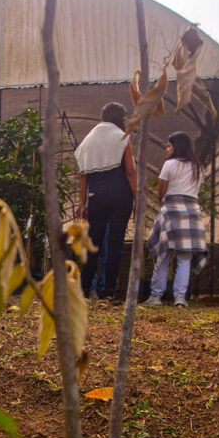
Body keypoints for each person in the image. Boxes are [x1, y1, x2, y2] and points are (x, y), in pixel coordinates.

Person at [75, 103, 137, 300]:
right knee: (115, 244)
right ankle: (109, 290)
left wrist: (82, 204)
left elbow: (83, 176)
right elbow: (129, 170)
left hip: (96, 197)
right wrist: (137, 196)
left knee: (94, 243)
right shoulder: (122, 136)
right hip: (120, 195)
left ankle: (84, 289)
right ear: (120, 117)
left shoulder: (88, 140)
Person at [144, 132, 208, 307]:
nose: (167, 149)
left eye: (169, 145)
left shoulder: (169, 165)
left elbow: (161, 191)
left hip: (171, 211)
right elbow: (196, 191)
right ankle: (180, 298)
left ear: (176, 146)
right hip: (192, 213)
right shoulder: (198, 167)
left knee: (164, 256)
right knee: (184, 259)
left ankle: (156, 296)